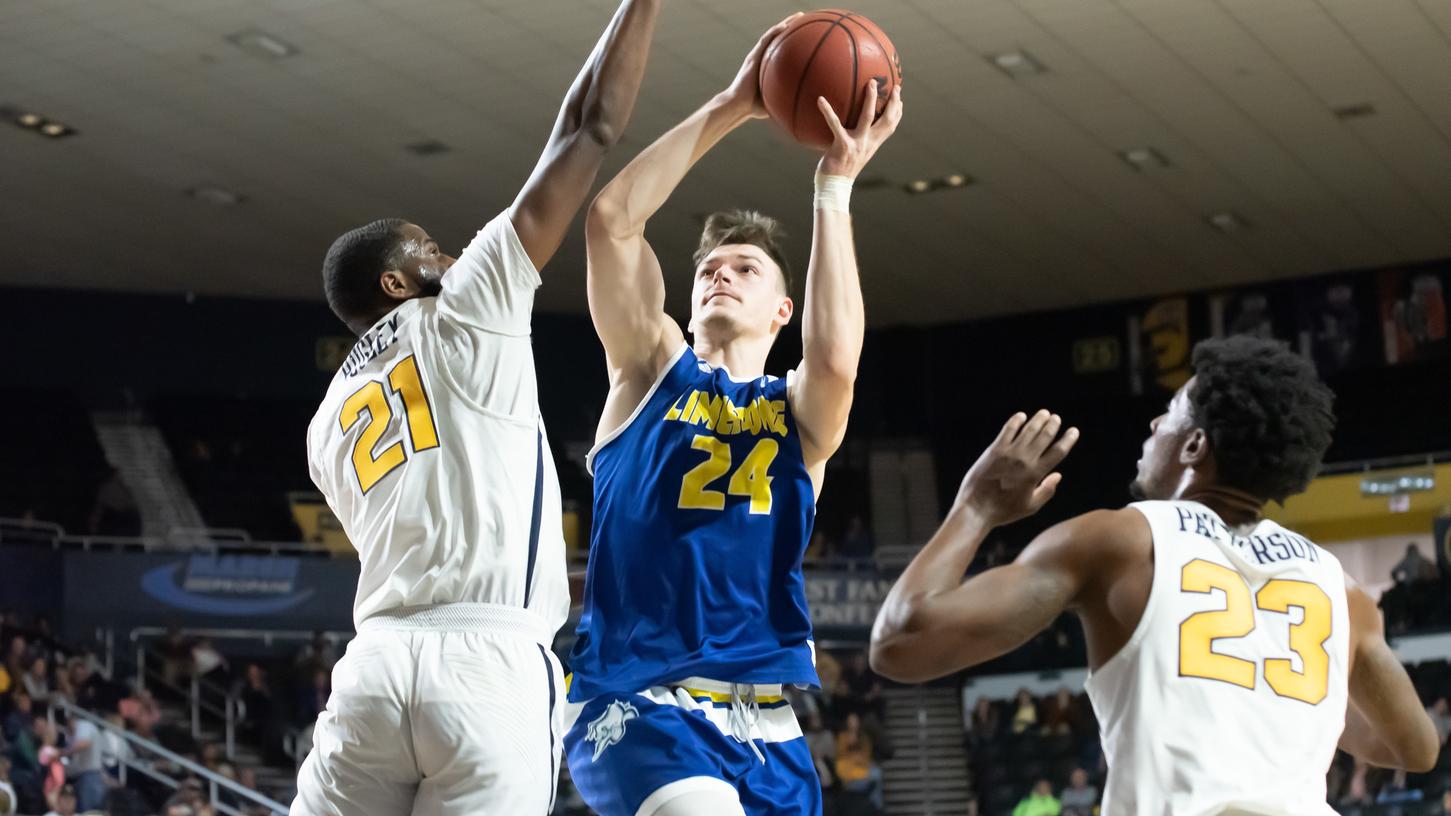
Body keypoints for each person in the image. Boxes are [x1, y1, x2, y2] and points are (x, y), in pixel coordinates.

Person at [292, 3, 661, 814]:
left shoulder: (324, 423)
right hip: (486, 662)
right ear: (397, 282)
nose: (451, 253)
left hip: (374, 667)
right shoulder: (465, 305)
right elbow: (589, 126)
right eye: (428, 248)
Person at [562, 13, 904, 816]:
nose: (720, 274)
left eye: (744, 267)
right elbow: (611, 224)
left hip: (769, 724)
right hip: (636, 701)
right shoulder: (650, 373)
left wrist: (834, 187)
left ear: (783, 309)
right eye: (708, 268)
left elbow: (835, 359)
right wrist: (733, 102)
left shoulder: (795, 413)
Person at [871, 336, 1441, 813]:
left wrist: (976, 508)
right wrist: (1281, 699)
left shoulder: (1118, 540)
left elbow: (902, 643)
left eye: (1169, 411)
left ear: (1194, 445)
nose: (1152, 421)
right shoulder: (1341, 589)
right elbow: (1415, 747)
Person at [834, 713, 882, 812]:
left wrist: (858, 759)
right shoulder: (843, 737)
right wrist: (854, 757)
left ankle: (877, 807)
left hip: (862, 771)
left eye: (855, 721)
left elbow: (866, 756)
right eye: (851, 721)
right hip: (849, 772)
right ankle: (877, 807)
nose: (853, 724)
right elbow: (841, 755)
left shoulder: (863, 738)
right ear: (847, 723)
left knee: (877, 774)